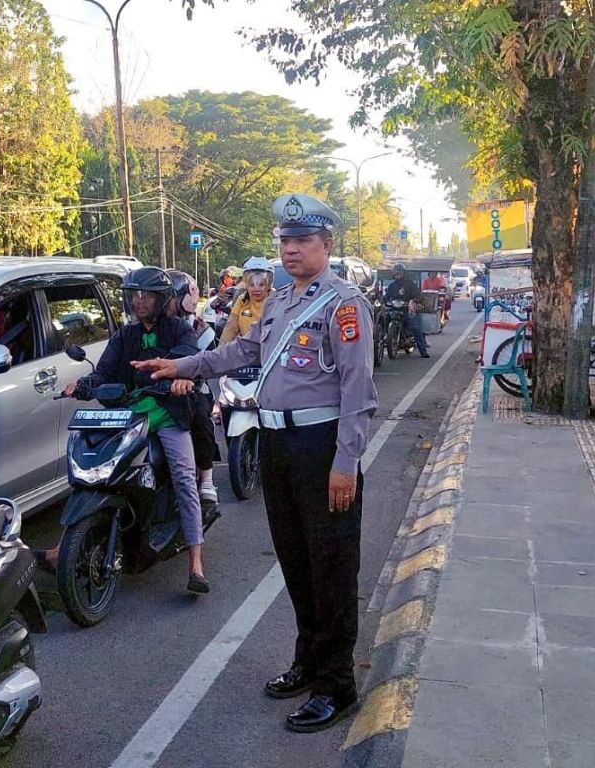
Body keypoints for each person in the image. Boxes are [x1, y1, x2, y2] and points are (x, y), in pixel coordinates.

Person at [134, 193, 377, 732]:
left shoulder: (344, 304)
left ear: (326, 245)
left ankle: (336, 684)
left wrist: (346, 461)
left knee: (331, 566)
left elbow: (359, 390)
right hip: (278, 447)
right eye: (285, 241)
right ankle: (308, 662)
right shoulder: (281, 301)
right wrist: (182, 365)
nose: (290, 250)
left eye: (302, 241)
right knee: (296, 560)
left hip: (321, 447)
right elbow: (243, 352)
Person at [44, 266, 210, 594]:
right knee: (94, 473)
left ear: (162, 299)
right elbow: (104, 371)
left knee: (184, 478)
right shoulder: (125, 335)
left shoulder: (179, 331)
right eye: (135, 295)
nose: (139, 301)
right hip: (127, 418)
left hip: (166, 417)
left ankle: (196, 563)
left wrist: (180, 379)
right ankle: (63, 547)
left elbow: (188, 360)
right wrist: (84, 384)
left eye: (146, 295)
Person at [166, 269, 221, 504]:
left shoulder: (201, 329)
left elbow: (207, 363)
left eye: (168, 297)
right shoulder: (146, 328)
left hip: (194, 391)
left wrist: (188, 378)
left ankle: (207, 477)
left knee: (200, 419)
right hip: (156, 392)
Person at [219, 256, 275, 344]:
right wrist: (221, 350)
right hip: (246, 349)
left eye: (261, 285)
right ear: (247, 285)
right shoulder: (242, 299)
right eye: (252, 285)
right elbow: (231, 328)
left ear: (268, 285)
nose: (256, 289)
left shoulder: (276, 300)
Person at [385, 263, 430, 358]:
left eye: (399, 273)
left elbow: (418, 295)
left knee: (415, 327)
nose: (397, 275)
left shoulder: (410, 284)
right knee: (384, 319)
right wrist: (383, 300)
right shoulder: (391, 286)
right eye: (396, 273)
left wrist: (413, 301)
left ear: (403, 273)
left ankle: (423, 350)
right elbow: (386, 297)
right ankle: (387, 337)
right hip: (394, 310)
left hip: (407, 310)